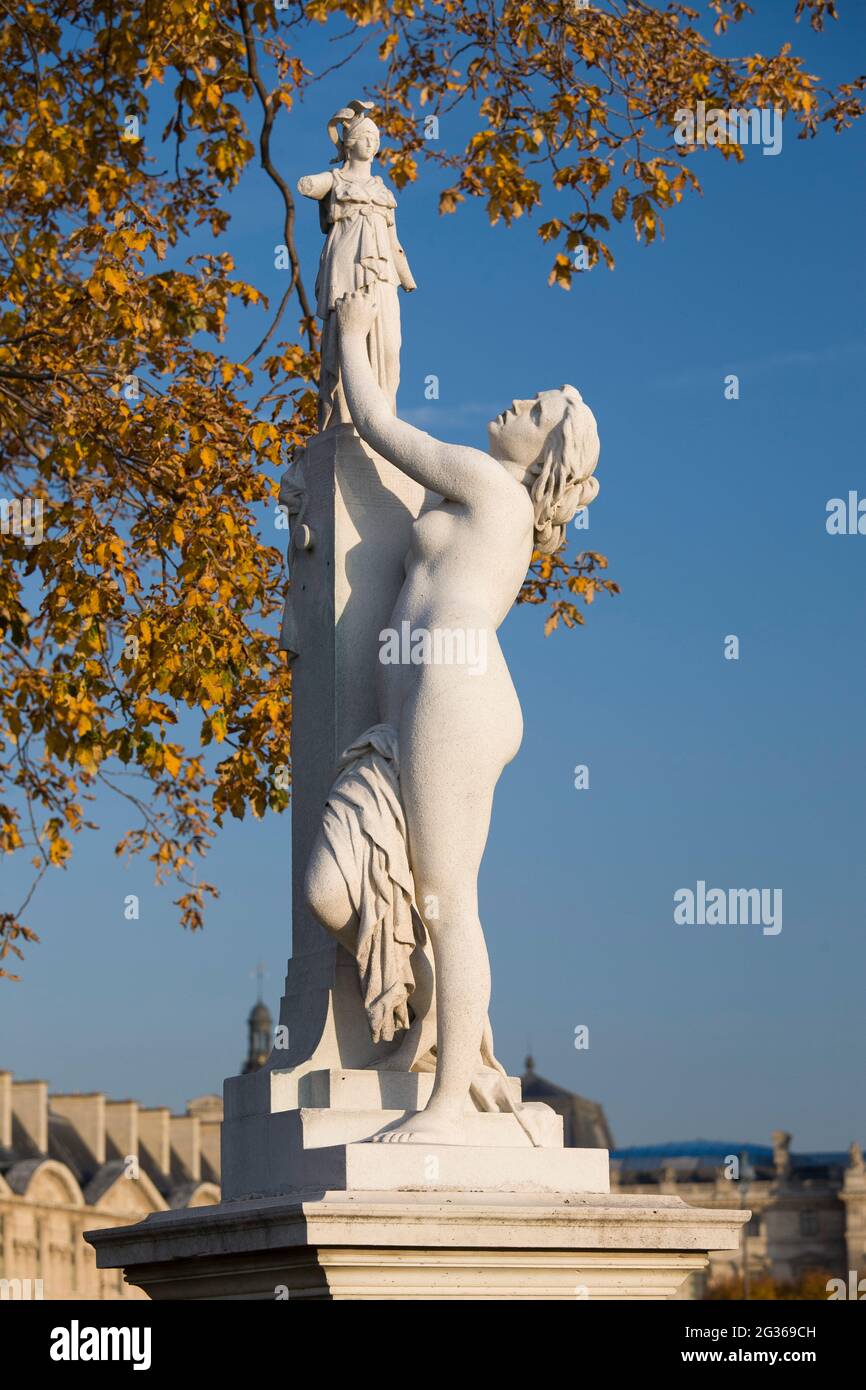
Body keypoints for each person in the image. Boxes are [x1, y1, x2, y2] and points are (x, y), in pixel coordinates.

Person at [305, 285, 600, 1145]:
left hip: (453, 692)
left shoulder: (485, 483)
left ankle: (445, 1102)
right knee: (401, 890)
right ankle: (433, 1045)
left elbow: (382, 427)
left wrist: (355, 335)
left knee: (446, 898)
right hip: (432, 699)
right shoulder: (486, 497)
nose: (517, 403)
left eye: (536, 410)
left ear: (543, 450)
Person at [297, 100, 416, 430]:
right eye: (366, 136)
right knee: (347, 340)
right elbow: (306, 185)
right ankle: (345, 420)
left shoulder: (382, 188)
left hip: (382, 273)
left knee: (390, 347)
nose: (373, 143)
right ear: (350, 143)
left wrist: (405, 276)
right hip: (347, 266)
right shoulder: (335, 181)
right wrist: (321, 180)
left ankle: (383, 421)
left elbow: (394, 240)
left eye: (376, 137)